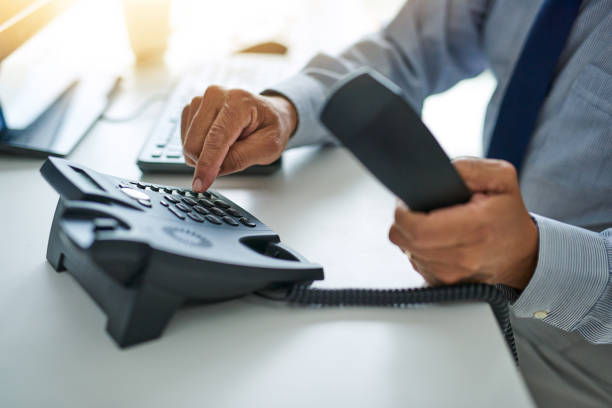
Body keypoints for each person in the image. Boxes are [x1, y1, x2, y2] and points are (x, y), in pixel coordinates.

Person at [180, 1, 612, 406]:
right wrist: (285, 108)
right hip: (475, 293)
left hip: (584, 365)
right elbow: (403, 50)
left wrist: (530, 258)